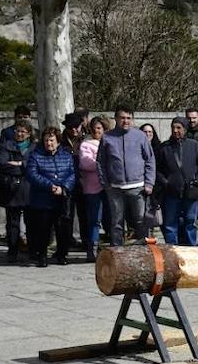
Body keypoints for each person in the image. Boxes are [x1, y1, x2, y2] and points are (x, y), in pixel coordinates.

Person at [97, 106, 156, 247]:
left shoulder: (140, 136)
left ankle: (144, 250)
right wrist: (105, 183)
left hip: (138, 187)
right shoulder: (107, 137)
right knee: (116, 222)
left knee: (141, 220)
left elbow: (150, 160)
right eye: (122, 118)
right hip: (115, 188)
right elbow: (101, 162)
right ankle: (117, 252)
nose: (125, 121)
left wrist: (149, 183)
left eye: (129, 118)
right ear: (116, 118)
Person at [24, 126, 76, 266]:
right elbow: (32, 174)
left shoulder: (66, 155)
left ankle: (62, 255)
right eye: (46, 140)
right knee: (43, 229)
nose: (49, 143)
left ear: (58, 141)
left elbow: (72, 174)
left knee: (63, 229)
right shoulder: (36, 155)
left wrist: (63, 187)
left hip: (62, 198)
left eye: (52, 140)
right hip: (42, 199)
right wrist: (49, 186)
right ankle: (42, 256)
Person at [156, 118, 198, 245]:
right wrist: (165, 182)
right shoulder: (164, 147)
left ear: (184, 129)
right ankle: (172, 251)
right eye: (173, 127)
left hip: (190, 191)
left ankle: (191, 249)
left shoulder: (193, 145)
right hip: (171, 193)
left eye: (178, 128)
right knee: (170, 224)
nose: (175, 130)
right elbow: (156, 169)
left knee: (190, 222)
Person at [0, 121, 33, 261]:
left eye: (23, 131)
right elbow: (3, 165)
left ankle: (32, 249)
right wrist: (24, 166)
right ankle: (12, 251)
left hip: (30, 188)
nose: (20, 134)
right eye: (18, 131)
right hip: (11, 188)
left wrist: (19, 164)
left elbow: (35, 165)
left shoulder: (34, 148)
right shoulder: (6, 146)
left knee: (31, 222)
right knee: (12, 223)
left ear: (28, 134)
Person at [75, 116, 107, 262]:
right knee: (94, 220)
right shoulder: (86, 144)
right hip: (92, 188)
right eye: (94, 128)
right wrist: (103, 164)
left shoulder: (109, 143)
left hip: (110, 187)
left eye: (99, 128)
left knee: (112, 220)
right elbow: (85, 164)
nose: (96, 130)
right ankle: (92, 249)